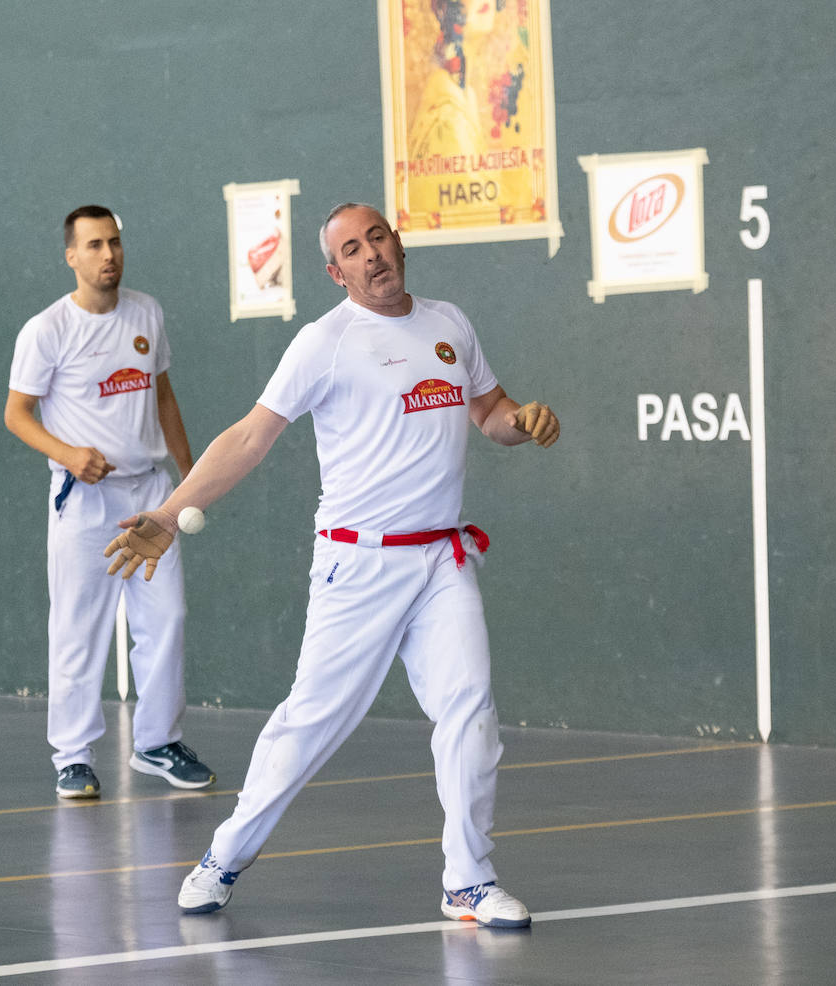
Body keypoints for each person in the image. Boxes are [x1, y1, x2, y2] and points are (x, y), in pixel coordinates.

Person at [104, 203, 558, 927]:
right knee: (311, 723)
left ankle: (468, 881)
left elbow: (491, 411)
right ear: (334, 271)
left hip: (442, 559)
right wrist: (167, 516)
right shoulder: (326, 342)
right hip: (359, 565)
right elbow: (250, 438)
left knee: (471, 714)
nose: (371, 254)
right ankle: (223, 857)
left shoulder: (449, 323)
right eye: (353, 248)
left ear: (397, 242)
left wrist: (523, 422)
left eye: (377, 237)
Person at [5, 205, 216, 800]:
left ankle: (157, 743)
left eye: (115, 243)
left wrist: (189, 477)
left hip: (151, 495)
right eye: (94, 245)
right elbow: (16, 415)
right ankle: (72, 755)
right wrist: (69, 453)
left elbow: (163, 396)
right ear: (71, 256)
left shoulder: (146, 312)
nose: (108, 255)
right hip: (84, 500)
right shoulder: (46, 330)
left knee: (166, 618)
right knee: (78, 626)